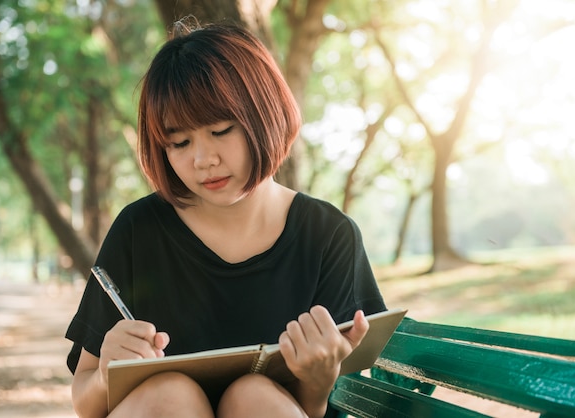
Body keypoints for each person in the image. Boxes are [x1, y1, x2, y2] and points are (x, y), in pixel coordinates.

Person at [65, 18, 386, 418]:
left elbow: (320, 405)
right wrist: (104, 375)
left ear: (264, 114)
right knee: (170, 393)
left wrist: (318, 382)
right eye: (179, 142)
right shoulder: (138, 231)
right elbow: (84, 399)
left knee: (254, 396)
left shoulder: (328, 236)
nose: (203, 160)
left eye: (220, 130)